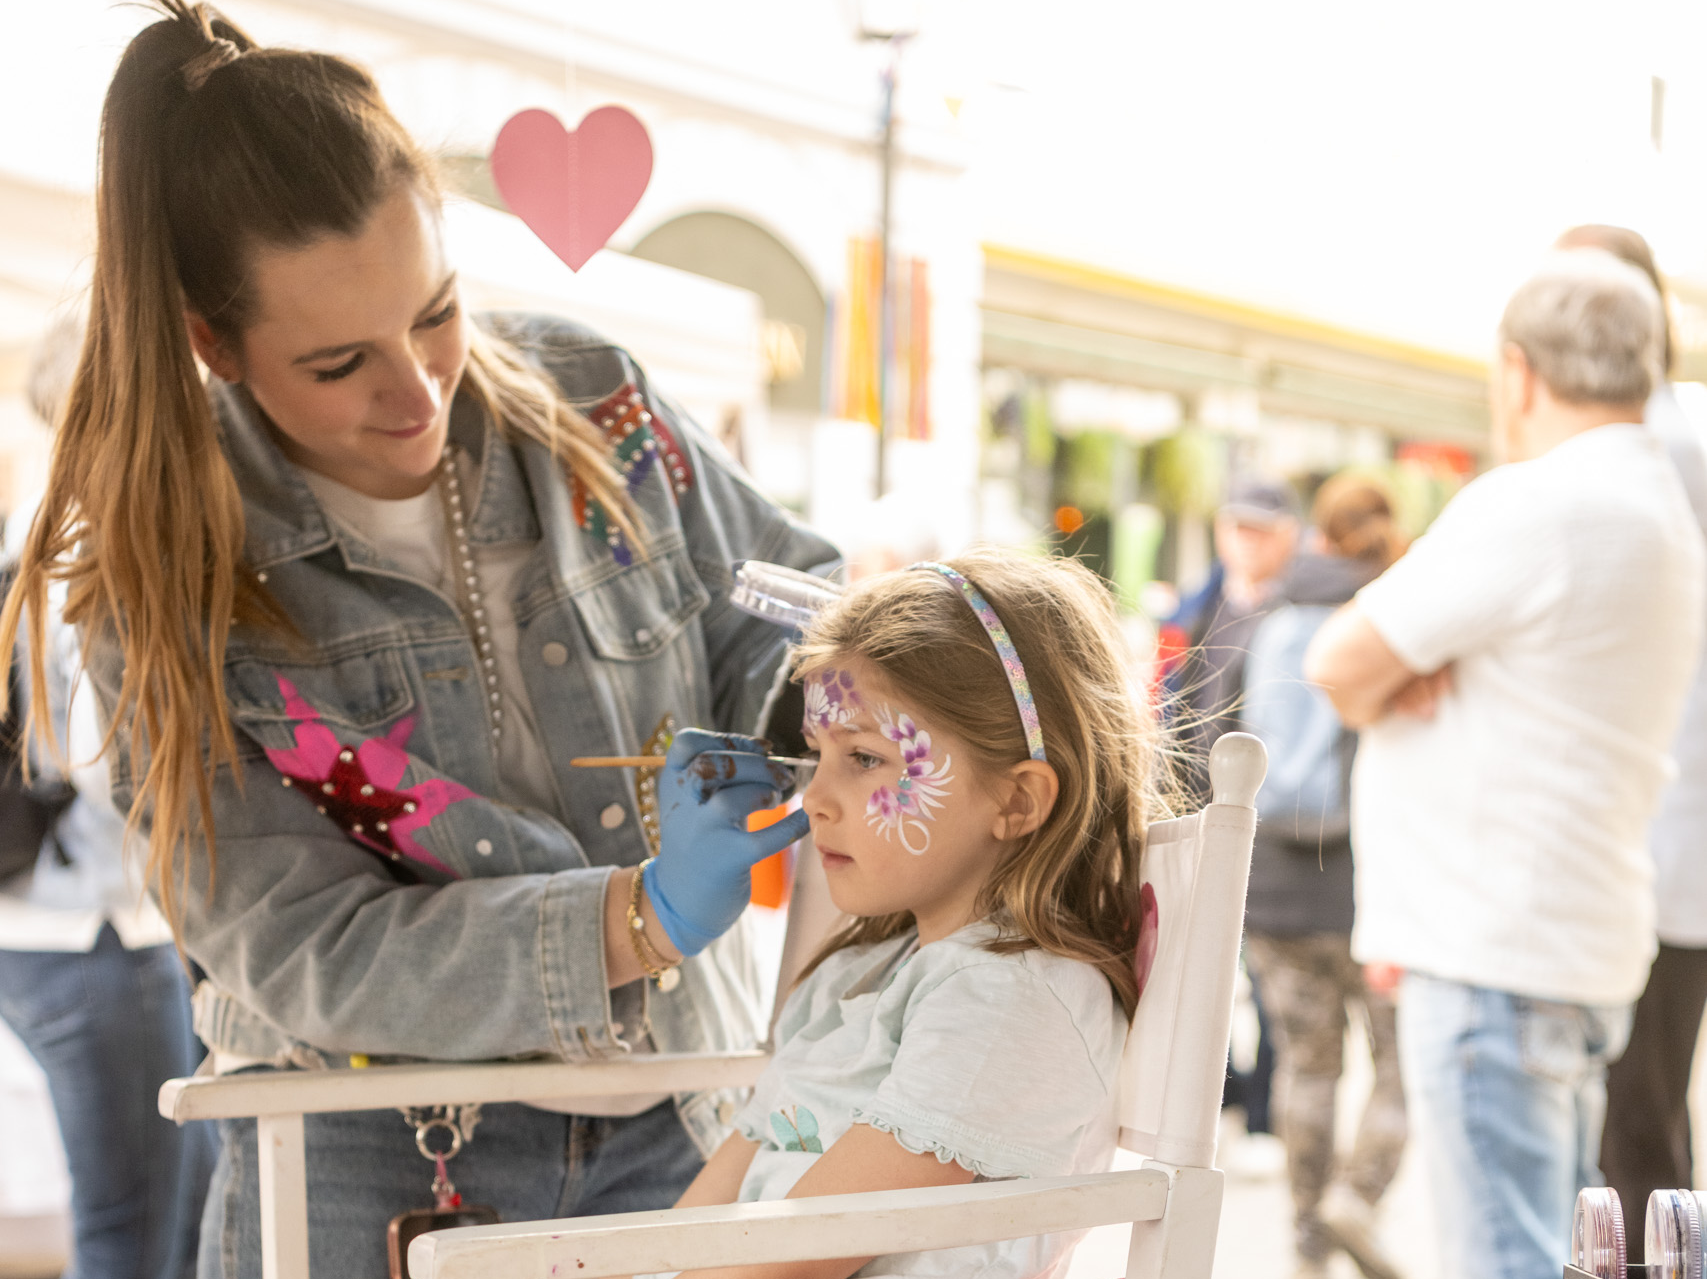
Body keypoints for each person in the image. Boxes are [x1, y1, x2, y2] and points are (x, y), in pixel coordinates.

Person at [0, 4, 836, 1275]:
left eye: (436, 312)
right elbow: (299, 945)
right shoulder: (163, 575)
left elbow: (788, 604)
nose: (418, 391)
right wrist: (639, 917)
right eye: (341, 363)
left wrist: (822, 703)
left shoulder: (600, 401)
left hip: (683, 1114)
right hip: (373, 1159)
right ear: (213, 342)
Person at [1306, 250, 1705, 1279]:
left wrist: (1407, 668)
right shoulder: (1655, 507)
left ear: (1517, 372)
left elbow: (1336, 662)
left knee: (1508, 1259)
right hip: (1573, 946)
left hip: (1496, 957)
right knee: (1567, 1254)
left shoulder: (1541, 502)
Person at [641, 548, 1154, 1279]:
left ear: (1015, 800)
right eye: (817, 755)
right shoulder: (855, 975)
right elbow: (681, 1234)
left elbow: (785, 1262)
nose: (815, 798)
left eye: (864, 759)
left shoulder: (1010, 1002)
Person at [0, 315, 216, 1279]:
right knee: (139, 1225)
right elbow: (105, 757)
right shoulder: (94, 538)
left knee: (166, 1206)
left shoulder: (37, 526)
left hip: (50, 917)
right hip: (97, 927)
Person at [1554, 225, 1707, 1259]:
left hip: (1656, 843)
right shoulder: (1649, 443)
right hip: (1640, 840)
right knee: (1627, 1124)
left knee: (1636, 1125)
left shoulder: (1662, 448)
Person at [1240, 473, 1409, 1279]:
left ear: (1316, 536)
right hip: (1368, 886)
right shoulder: (1389, 620)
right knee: (1399, 1064)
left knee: (1307, 1067)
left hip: (1275, 883)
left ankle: (1307, 1244)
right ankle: (1356, 1197)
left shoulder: (1270, 619)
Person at [1163, 476, 1299, 1155]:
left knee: (1268, 978)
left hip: (1271, 829)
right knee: (1197, 967)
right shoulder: (1198, 608)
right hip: (1195, 809)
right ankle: (1220, 1097)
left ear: (1288, 536)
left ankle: (1265, 1115)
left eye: (1259, 529)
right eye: (1236, 527)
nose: (1245, 542)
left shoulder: (1296, 616)